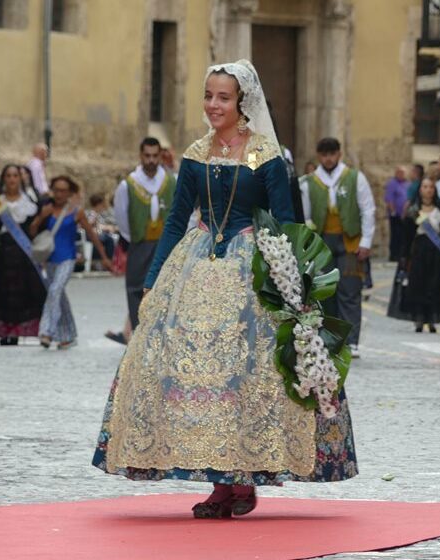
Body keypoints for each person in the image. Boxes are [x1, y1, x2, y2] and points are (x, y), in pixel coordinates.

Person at [93, 60, 357, 519]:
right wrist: (153, 281)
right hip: (196, 266)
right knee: (194, 374)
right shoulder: (196, 153)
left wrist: (292, 286)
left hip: (253, 268)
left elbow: (286, 222)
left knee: (248, 376)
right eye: (208, 96)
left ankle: (245, 478)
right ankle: (221, 480)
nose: (214, 105)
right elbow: (177, 220)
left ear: (243, 103)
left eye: (223, 98)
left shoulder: (267, 156)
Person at [299, 137, 376, 358]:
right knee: (324, 292)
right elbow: (305, 217)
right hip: (323, 244)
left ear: (339, 154)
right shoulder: (308, 182)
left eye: (332, 154)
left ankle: (352, 342)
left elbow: (367, 210)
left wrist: (366, 242)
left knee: (350, 292)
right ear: (318, 156)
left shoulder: (354, 178)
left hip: (350, 242)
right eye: (324, 154)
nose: (328, 159)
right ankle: (327, 339)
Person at [30, 176, 113, 349]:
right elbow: (33, 231)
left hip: (68, 259)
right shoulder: (47, 209)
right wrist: (40, 218)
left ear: (69, 193)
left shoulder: (77, 212)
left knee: (54, 290)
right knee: (59, 296)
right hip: (50, 260)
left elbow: (91, 235)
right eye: (56, 190)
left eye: (63, 190)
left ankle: (47, 332)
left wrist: (104, 257)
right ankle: (69, 334)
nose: (59, 194)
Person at [113, 137, 177, 330]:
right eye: (147, 156)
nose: (151, 160)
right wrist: (135, 238)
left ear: (160, 156)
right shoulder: (128, 185)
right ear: (141, 156)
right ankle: (138, 332)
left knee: (166, 288)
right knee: (136, 289)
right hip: (140, 244)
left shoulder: (170, 181)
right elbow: (121, 216)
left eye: (155, 156)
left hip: (165, 244)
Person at [388, 177, 440, 332]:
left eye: (431, 187)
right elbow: (407, 236)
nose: (428, 190)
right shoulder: (413, 211)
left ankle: (432, 318)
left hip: (436, 252)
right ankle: (419, 317)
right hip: (418, 252)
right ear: (420, 190)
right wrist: (404, 257)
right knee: (418, 285)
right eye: (425, 187)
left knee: (435, 284)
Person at [0, 164, 47, 345]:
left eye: (15, 176)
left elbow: (36, 231)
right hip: (2, 255)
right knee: (2, 293)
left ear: (20, 179)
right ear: (4, 179)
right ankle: (4, 331)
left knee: (24, 293)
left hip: (23, 256)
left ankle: (20, 330)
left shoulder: (30, 204)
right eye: (9, 176)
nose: (12, 179)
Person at [384, 166, 408, 262]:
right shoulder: (392, 184)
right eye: (400, 172)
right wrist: (393, 211)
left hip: (405, 215)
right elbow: (389, 199)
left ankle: (401, 254)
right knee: (395, 235)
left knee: (403, 236)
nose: (401, 175)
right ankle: (394, 254)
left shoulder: (407, 183)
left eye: (403, 173)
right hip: (396, 215)